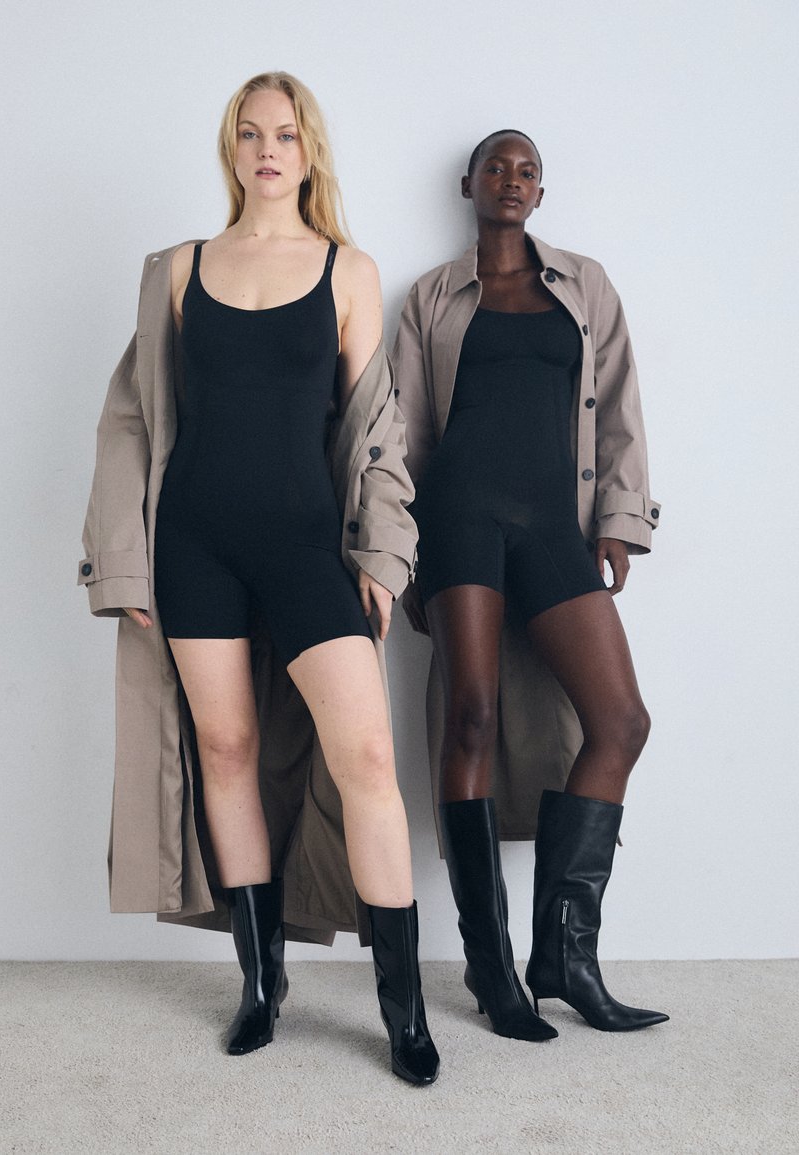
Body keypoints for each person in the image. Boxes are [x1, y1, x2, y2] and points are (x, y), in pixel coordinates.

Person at [79, 71, 438, 1086]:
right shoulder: (178, 269)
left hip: (305, 547)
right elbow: (131, 421)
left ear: (308, 149)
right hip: (193, 542)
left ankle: (404, 1011)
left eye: (284, 134)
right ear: (230, 149)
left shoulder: (347, 270)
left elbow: (378, 433)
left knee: (367, 757)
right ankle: (259, 984)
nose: (267, 150)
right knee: (226, 751)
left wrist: (381, 558)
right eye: (249, 134)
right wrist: (124, 556)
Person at [393, 129, 668, 1041]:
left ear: (540, 194)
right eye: (496, 167)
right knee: (471, 713)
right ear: (467, 183)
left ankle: (566, 958)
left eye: (528, 171)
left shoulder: (585, 286)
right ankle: (491, 969)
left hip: (555, 523)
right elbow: (403, 434)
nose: (511, 180)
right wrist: (402, 551)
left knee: (621, 721)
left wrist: (620, 518)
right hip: (459, 519)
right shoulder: (432, 297)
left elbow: (620, 405)